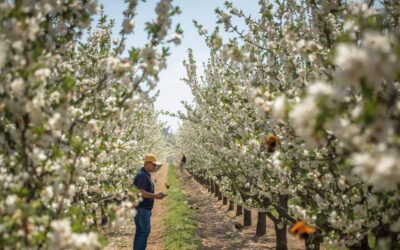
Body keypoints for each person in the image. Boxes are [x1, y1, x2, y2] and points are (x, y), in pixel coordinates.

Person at [133, 154, 166, 250]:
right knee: (143, 232)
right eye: (154, 164)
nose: (155, 166)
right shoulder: (142, 176)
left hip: (142, 208)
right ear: (147, 163)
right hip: (142, 208)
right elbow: (141, 192)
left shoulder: (145, 175)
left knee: (141, 232)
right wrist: (155, 196)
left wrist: (155, 195)